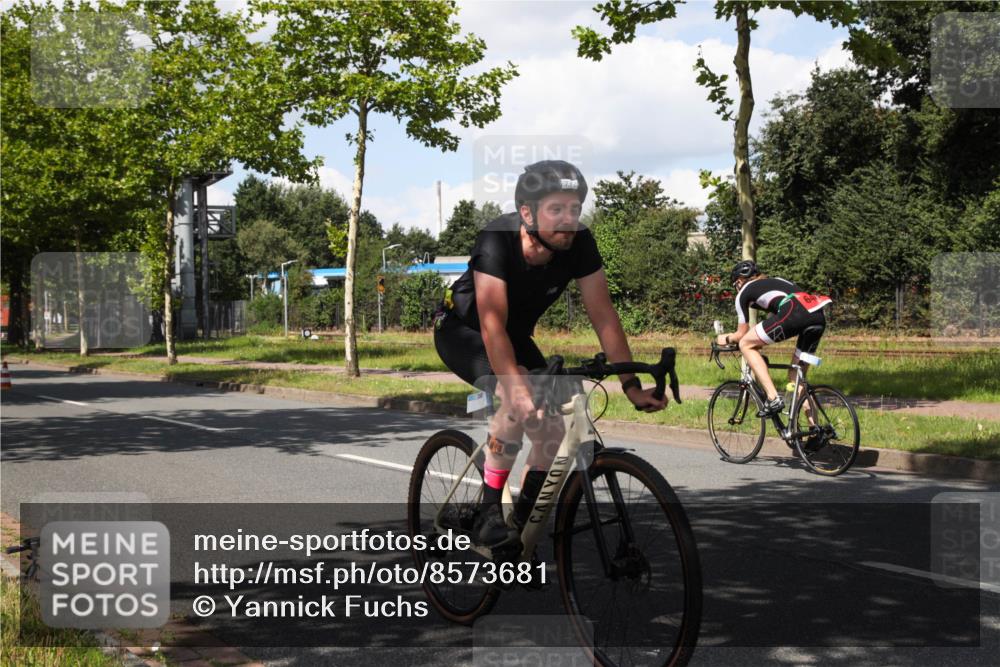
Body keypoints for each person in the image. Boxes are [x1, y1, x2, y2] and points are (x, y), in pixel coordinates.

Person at [433, 160, 667, 546]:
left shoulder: (579, 243)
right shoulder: (497, 238)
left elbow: (603, 315)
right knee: (517, 391)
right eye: (556, 209)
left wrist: (630, 384)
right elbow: (492, 322)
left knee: (553, 427)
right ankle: (489, 510)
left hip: (514, 336)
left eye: (574, 209)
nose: (568, 219)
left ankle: (520, 524)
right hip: (464, 331)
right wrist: (514, 387)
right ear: (527, 213)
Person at [715, 260, 832, 418]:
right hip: (817, 316)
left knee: (745, 344)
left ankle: (773, 398)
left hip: (794, 311)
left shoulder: (743, 292)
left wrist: (724, 338)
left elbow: (741, 334)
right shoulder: (777, 281)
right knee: (796, 377)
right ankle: (815, 432)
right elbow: (776, 315)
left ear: (739, 281)